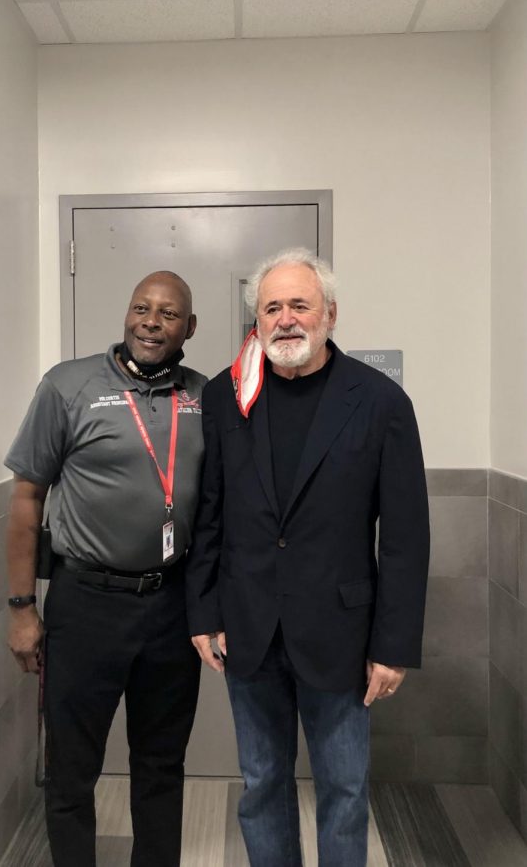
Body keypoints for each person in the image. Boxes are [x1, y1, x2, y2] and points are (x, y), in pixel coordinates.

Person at [186, 248, 429, 867]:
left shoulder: (379, 402)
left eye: (300, 304)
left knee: (344, 789)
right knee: (262, 784)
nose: (286, 318)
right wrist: (202, 612)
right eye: (272, 307)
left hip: (342, 636)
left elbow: (404, 534)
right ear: (257, 320)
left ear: (331, 314)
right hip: (249, 629)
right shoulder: (224, 396)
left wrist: (393, 645)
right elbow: (208, 514)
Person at [5, 271, 206, 867]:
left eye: (169, 314)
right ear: (126, 315)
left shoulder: (204, 397)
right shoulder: (67, 386)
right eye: (141, 308)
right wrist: (21, 609)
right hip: (85, 604)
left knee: (161, 765)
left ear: (189, 328)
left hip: (171, 607)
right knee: (71, 768)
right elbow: (25, 500)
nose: (151, 321)